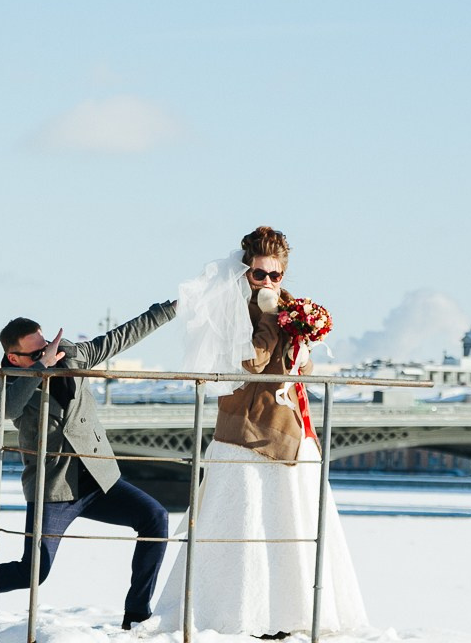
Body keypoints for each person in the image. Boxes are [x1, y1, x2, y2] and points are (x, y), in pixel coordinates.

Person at [151, 227, 367, 638]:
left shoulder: (290, 306)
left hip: (292, 427)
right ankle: (233, 614)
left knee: (292, 523)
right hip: (247, 432)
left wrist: (303, 341)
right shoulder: (231, 308)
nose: (267, 282)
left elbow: (301, 370)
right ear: (244, 271)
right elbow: (251, 362)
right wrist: (268, 315)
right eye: (259, 274)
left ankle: (291, 614)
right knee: (244, 526)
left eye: (275, 275)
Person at [0, 300, 177, 630]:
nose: (49, 352)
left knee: (155, 518)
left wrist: (171, 309)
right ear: (14, 358)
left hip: (98, 479)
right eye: (36, 353)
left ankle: (136, 615)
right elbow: (10, 408)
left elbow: (123, 336)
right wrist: (41, 368)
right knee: (33, 572)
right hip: (53, 488)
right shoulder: (4, 383)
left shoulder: (73, 354)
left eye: (46, 344)